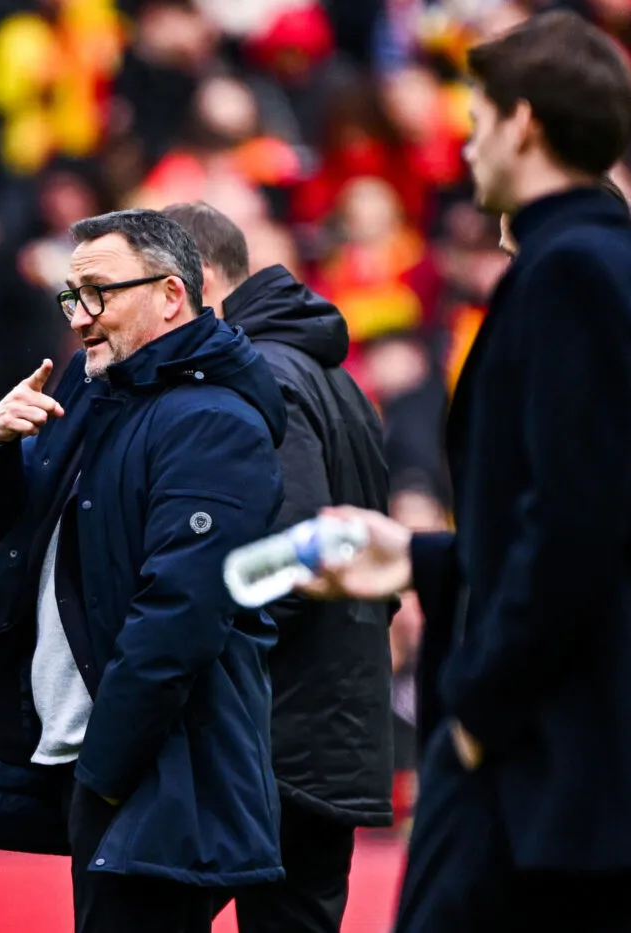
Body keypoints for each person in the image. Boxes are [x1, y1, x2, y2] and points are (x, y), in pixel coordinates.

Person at [302, 12, 631, 931]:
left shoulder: (575, 270)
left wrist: (481, 707)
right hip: (552, 758)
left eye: (479, 119)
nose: (466, 140)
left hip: (550, 769)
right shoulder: (582, 263)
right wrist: (418, 556)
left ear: (523, 123)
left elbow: (578, 526)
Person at [0, 209, 287, 933]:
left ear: (172, 294)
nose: (80, 317)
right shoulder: (91, 386)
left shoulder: (214, 421)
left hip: (162, 777)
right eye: (71, 298)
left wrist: (104, 770)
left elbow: (178, 617)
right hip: (105, 767)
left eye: (99, 293)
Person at [161, 202, 393, 933]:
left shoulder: (262, 376)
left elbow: (292, 555)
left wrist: (179, 636)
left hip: (270, 733)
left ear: (189, 284)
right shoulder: (329, 375)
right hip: (327, 724)